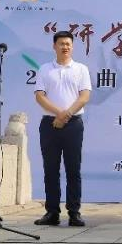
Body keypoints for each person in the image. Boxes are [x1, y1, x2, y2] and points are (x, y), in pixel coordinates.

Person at [33, 30, 92, 227]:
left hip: (73, 124)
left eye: (68, 44)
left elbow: (84, 96)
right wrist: (59, 113)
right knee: (50, 169)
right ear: (54, 46)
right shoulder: (45, 69)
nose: (65, 47)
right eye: (61, 44)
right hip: (49, 124)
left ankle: (74, 212)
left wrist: (66, 115)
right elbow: (40, 96)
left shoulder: (81, 69)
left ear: (72, 46)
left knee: (73, 169)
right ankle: (52, 212)